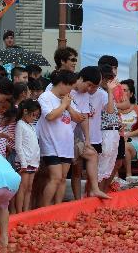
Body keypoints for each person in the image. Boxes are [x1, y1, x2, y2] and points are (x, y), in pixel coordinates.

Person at [38, 69, 79, 206]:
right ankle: (43, 209)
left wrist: (68, 106)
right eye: (70, 86)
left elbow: (79, 118)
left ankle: (58, 208)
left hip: (66, 145)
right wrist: (64, 105)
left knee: (62, 179)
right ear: (62, 83)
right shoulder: (45, 97)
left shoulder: (67, 99)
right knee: (55, 178)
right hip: (50, 143)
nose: (71, 90)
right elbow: (49, 116)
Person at [71, 66, 111, 200]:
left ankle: (92, 193)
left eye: (94, 87)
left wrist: (87, 139)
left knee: (92, 161)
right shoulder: (67, 89)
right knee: (75, 171)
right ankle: (77, 199)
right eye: (89, 85)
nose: (90, 89)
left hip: (89, 137)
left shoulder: (88, 94)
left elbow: (84, 117)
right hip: (69, 136)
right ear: (81, 78)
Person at [97, 63, 123, 192]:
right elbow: (110, 110)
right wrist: (111, 91)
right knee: (102, 166)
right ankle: (96, 195)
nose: (111, 81)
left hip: (114, 131)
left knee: (110, 165)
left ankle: (103, 192)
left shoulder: (106, 92)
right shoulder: (101, 93)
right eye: (109, 78)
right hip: (105, 131)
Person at [14, 99, 40, 213]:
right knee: (22, 188)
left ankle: (25, 211)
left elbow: (35, 145)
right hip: (24, 162)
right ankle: (20, 211)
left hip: (32, 161)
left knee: (29, 188)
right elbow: (18, 146)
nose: (35, 118)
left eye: (37, 116)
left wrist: (37, 162)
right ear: (25, 111)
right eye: (33, 115)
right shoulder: (20, 124)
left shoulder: (31, 126)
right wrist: (23, 163)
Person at [118, 80, 138, 180]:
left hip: (133, 142)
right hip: (116, 140)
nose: (122, 93)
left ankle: (128, 176)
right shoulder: (113, 109)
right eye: (120, 90)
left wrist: (126, 135)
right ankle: (114, 177)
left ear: (131, 93)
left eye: (125, 90)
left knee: (124, 146)